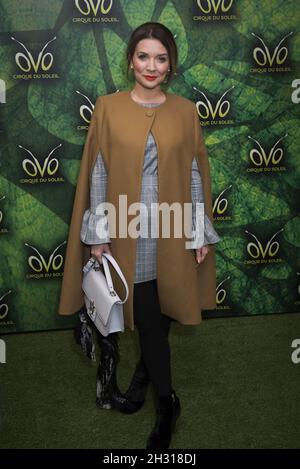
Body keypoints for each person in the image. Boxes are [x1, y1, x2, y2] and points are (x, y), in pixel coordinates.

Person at [59, 22, 221, 449]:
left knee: (159, 313)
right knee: (148, 313)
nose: (152, 66)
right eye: (144, 56)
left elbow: (192, 174)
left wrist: (198, 231)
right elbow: (98, 172)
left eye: (161, 58)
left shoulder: (185, 110)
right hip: (126, 231)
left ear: (170, 66)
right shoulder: (108, 107)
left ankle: (152, 390)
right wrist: (98, 235)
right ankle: (166, 399)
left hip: (170, 228)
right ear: (130, 59)